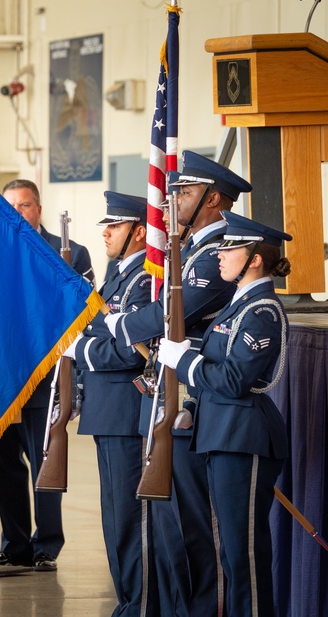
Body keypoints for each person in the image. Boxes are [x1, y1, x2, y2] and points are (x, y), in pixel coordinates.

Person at [107, 152, 252, 616]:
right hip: (164, 395)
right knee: (167, 523)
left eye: (184, 194)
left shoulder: (215, 256)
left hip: (191, 402)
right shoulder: (188, 252)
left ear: (213, 200)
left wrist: (121, 324)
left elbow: (176, 312)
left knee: (193, 530)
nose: (170, 204)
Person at [156, 211, 291, 617]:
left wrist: (185, 362)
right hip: (222, 432)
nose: (221, 254)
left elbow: (234, 380)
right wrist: (192, 400)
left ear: (253, 259)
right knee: (231, 553)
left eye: (231, 247)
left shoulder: (262, 311)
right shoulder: (239, 305)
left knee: (244, 552)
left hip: (244, 435)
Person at [0, 178, 94, 571]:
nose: (18, 212)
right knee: (6, 467)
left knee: (46, 462)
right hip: (0, 380)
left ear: (39, 209)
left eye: (25, 205)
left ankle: (46, 545)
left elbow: (83, 316)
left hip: (46, 381)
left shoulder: (71, 253)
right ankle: (14, 545)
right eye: (10, 205)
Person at [63, 192, 157, 616]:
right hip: (107, 410)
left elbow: (133, 351)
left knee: (130, 517)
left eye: (115, 226)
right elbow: (106, 336)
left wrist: (82, 350)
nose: (105, 232)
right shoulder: (116, 277)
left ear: (139, 232)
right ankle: (128, 600)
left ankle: (140, 602)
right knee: (114, 515)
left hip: (125, 411)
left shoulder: (143, 281)